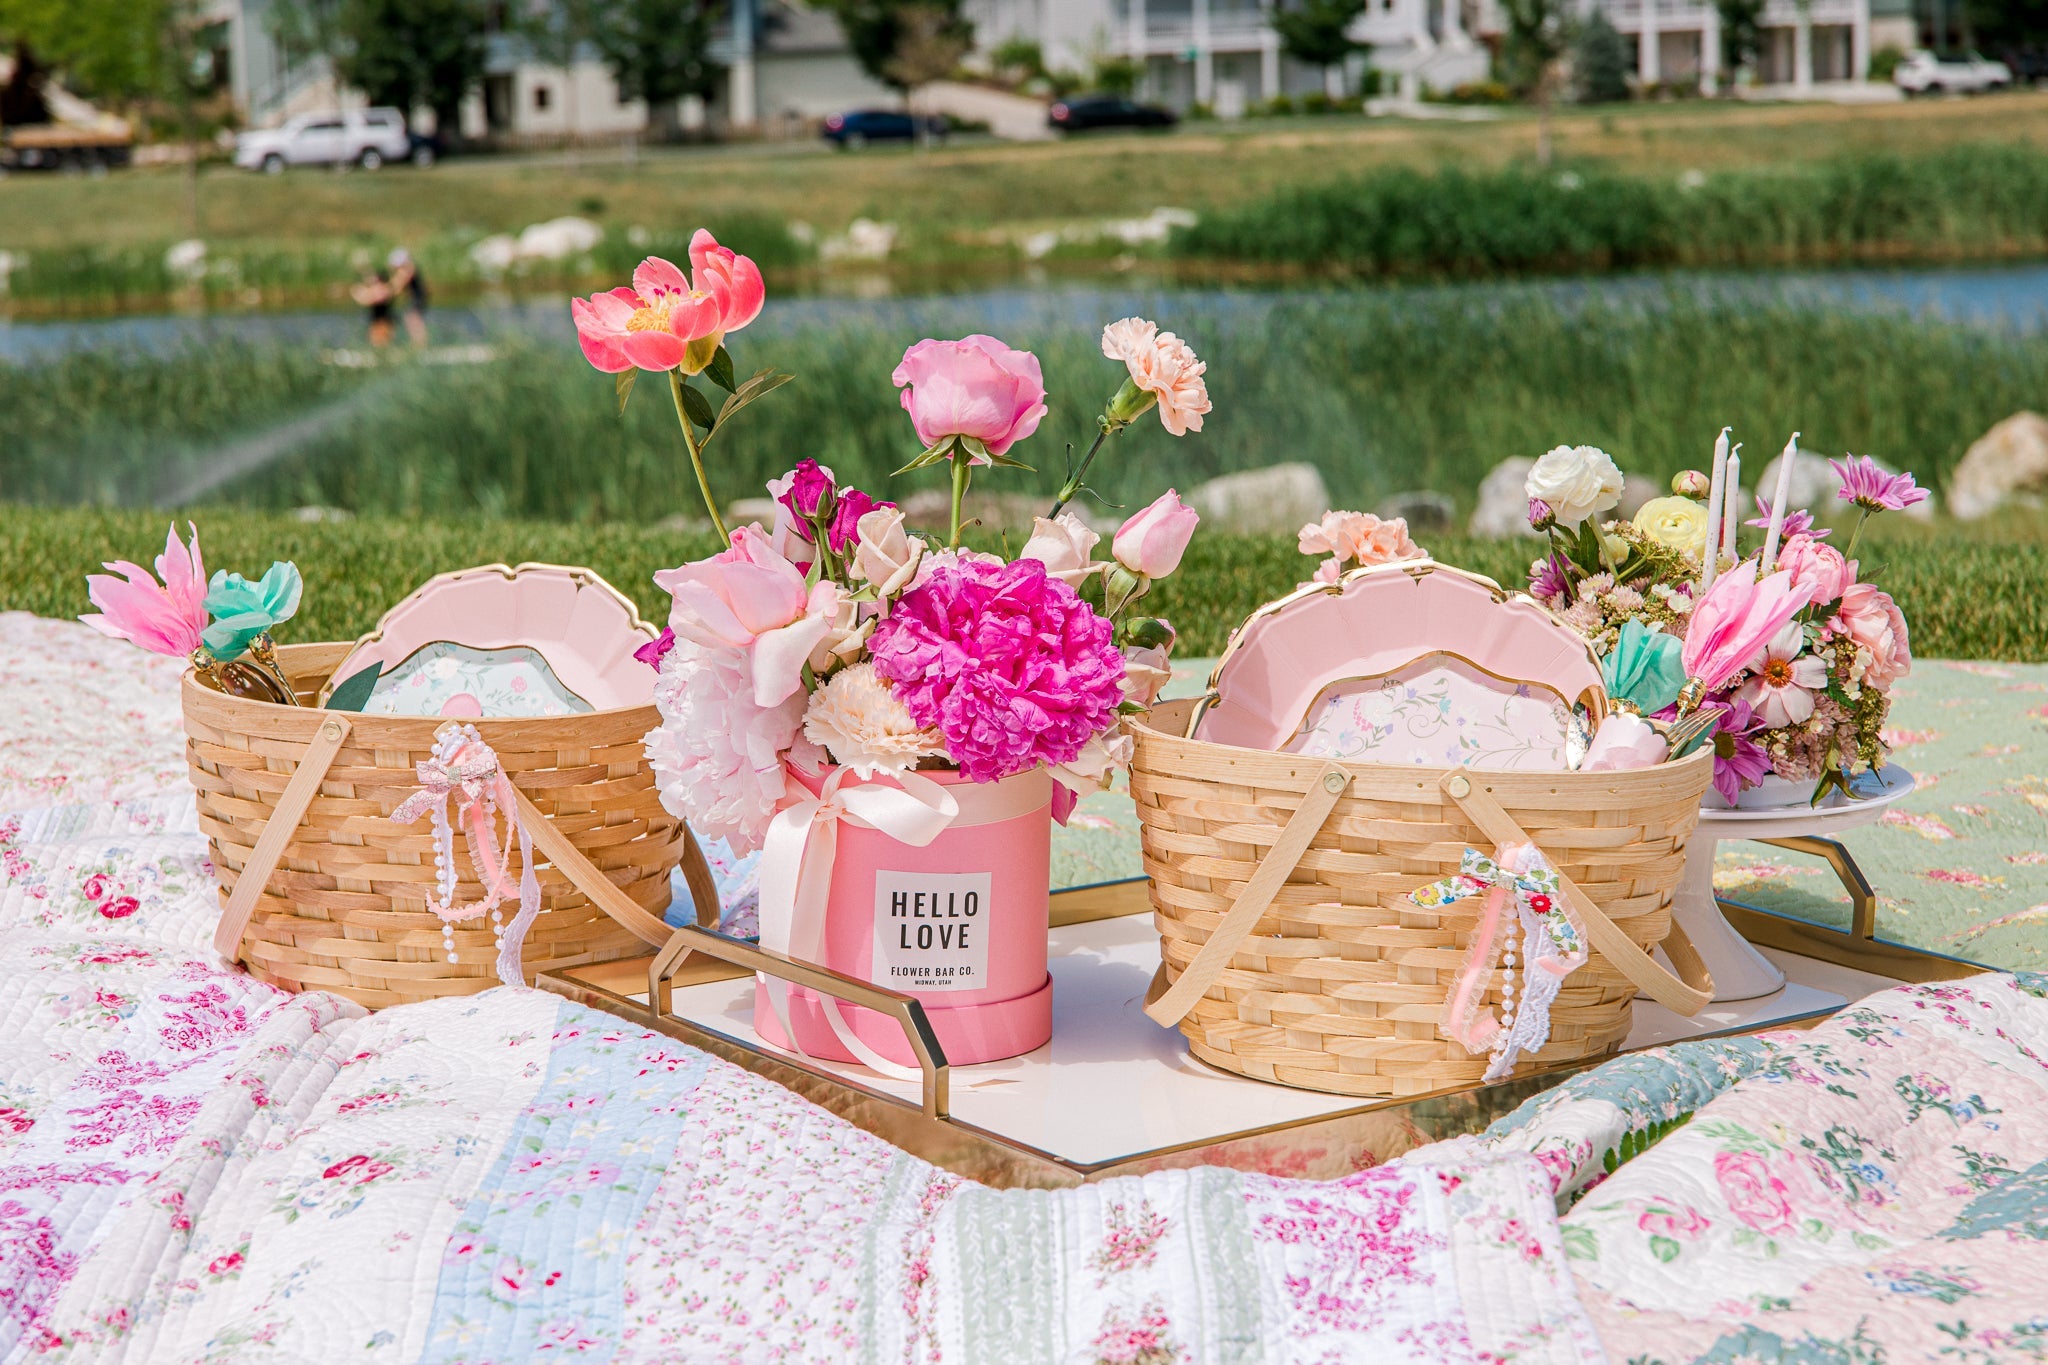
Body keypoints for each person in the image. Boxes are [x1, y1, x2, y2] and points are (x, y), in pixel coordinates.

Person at [388, 248, 429, 347]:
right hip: (415, 298)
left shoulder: (408, 269)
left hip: (417, 298)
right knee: (410, 319)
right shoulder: (408, 268)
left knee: (413, 319)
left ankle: (420, 345)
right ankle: (418, 344)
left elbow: (398, 285)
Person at [350, 269, 396, 348]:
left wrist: (363, 294)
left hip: (384, 319)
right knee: (375, 341)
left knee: (384, 339)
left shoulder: (385, 290)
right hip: (375, 319)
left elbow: (371, 300)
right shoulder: (379, 290)